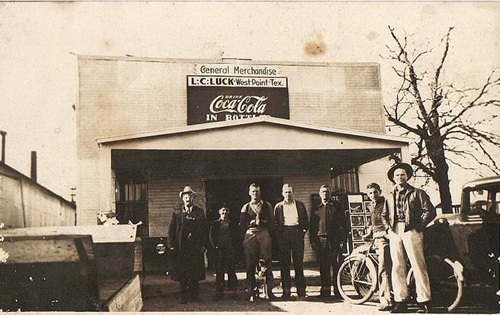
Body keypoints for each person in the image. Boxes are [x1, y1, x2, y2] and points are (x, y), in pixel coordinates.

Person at [381, 163, 436, 313]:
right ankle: (401, 301)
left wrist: (418, 227)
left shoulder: (417, 193)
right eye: (397, 175)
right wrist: (388, 229)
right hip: (395, 231)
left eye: (403, 174)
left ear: (408, 176)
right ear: (393, 178)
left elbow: (430, 211)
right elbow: (383, 215)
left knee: (418, 265)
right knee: (397, 266)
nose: (400, 177)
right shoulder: (389, 195)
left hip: (411, 230)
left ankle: (424, 301)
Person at [167, 185, 208, 304]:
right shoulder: (177, 211)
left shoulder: (199, 212)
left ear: (193, 198)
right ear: (182, 198)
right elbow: (171, 230)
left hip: (195, 247)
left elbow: (204, 230)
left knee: (194, 271)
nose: (187, 198)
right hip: (181, 247)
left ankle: (195, 296)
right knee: (183, 272)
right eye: (185, 196)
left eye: (190, 196)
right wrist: (171, 245)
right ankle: (184, 297)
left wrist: (204, 245)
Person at [309, 184, 348, 299]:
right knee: (323, 266)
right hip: (321, 241)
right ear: (320, 194)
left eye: (327, 192)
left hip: (334, 240)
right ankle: (325, 291)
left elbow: (344, 224)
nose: (325, 194)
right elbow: (312, 227)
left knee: (336, 266)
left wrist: (343, 240)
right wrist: (313, 242)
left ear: (330, 194)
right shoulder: (316, 208)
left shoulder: (337, 206)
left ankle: (337, 291)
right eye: (323, 192)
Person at [239, 183, 276, 301]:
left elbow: (272, 222)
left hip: (264, 233)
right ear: (249, 193)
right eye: (253, 192)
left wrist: (264, 224)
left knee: (267, 262)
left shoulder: (267, 205)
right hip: (250, 233)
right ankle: (251, 291)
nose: (255, 194)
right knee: (250, 263)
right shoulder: (245, 207)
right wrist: (249, 227)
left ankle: (269, 291)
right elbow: (241, 225)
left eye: (257, 192)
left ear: (260, 193)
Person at [274, 184, 309, 300]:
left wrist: (302, 231)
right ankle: (286, 291)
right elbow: (275, 223)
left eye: (290, 192)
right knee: (285, 264)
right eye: (286, 192)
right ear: (282, 193)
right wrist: (279, 235)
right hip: (284, 234)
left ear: (293, 193)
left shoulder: (300, 205)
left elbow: (305, 220)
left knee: (298, 263)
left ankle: (301, 291)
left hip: (297, 233)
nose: (288, 195)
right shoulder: (278, 207)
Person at [364, 182, 393, 311]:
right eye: (370, 193)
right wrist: (369, 233)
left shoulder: (385, 203)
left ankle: (386, 300)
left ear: (380, 192)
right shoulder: (371, 205)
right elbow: (374, 222)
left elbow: (389, 219)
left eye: (375, 192)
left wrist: (387, 232)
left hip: (384, 238)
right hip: (376, 237)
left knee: (383, 269)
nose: (373, 195)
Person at [209, 206, 238, 301]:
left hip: (230, 250)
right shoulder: (215, 224)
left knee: (231, 271)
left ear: (229, 212)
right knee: (219, 272)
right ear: (219, 212)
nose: (224, 212)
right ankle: (219, 293)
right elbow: (211, 236)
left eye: (226, 210)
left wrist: (234, 248)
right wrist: (215, 247)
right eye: (223, 211)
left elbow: (236, 237)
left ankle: (233, 292)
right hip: (219, 251)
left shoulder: (232, 224)